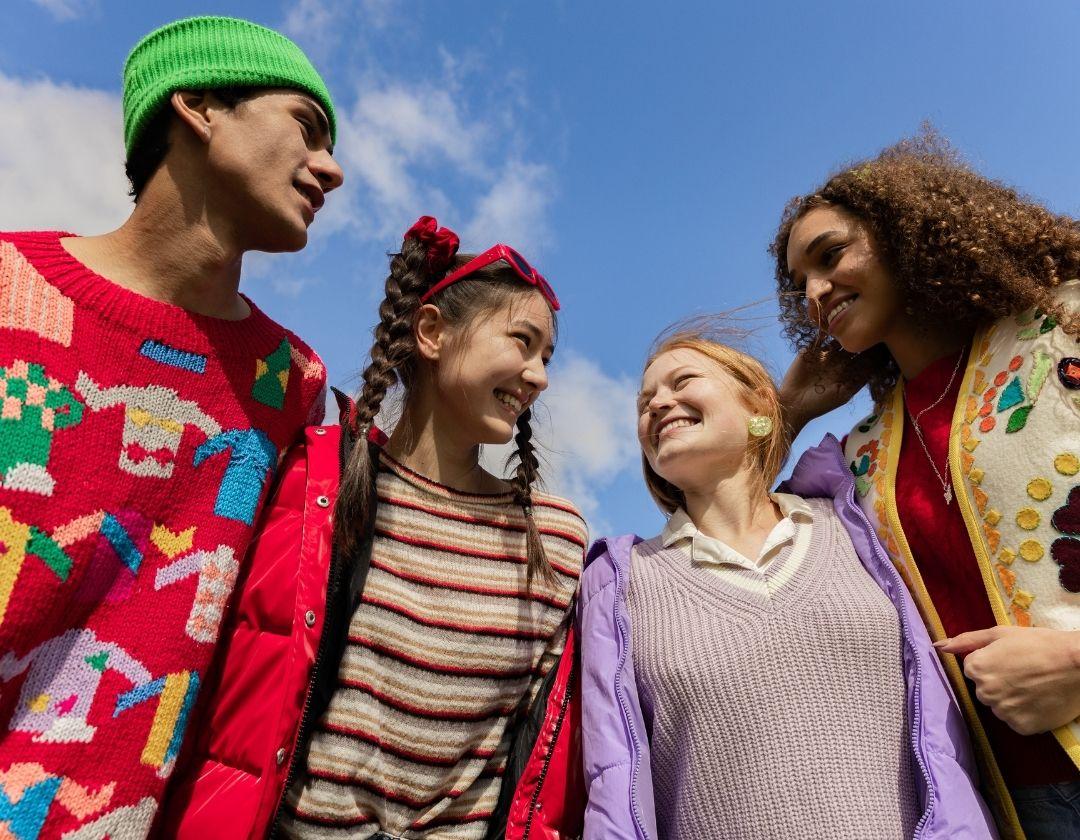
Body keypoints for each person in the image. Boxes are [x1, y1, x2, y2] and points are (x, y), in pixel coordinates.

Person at [0, 15, 343, 837]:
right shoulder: (10, 286)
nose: (331, 169)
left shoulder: (290, 384)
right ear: (197, 107)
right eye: (306, 125)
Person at [160, 217, 588, 839]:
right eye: (520, 342)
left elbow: (532, 748)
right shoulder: (321, 488)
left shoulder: (555, 538)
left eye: (546, 356)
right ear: (433, 332)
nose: (540, 376)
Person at [773, 131, 1080, 839]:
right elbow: (733, 524)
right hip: (1003, 809)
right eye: (800, 285)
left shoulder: (1062, 324)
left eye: (831, 256)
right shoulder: (856, 456)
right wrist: (788, 415)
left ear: (908, 233)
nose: (816, 292)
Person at [578, 321, 995, 839]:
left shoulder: (856, 515)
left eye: (682, 382)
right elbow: (613, 786)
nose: (657, 404)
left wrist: (789, 406)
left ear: (757, 405)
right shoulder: (619, 584)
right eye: (645, 402)